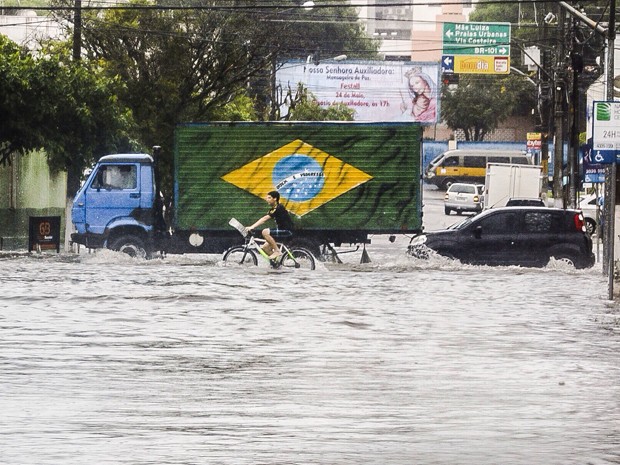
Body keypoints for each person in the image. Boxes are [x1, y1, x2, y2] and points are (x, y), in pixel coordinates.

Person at [246, 190, 294, 259]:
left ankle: (277, 251)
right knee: (265, 248)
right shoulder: (273, 209)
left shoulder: (278, 208)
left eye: (269, 198)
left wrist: (252, 226)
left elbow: (264, 219)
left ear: (275, 199)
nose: (267, 199)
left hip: (287, 231)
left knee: (265, 232)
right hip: (282, 230)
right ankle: (277, 263)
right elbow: (264, 218)